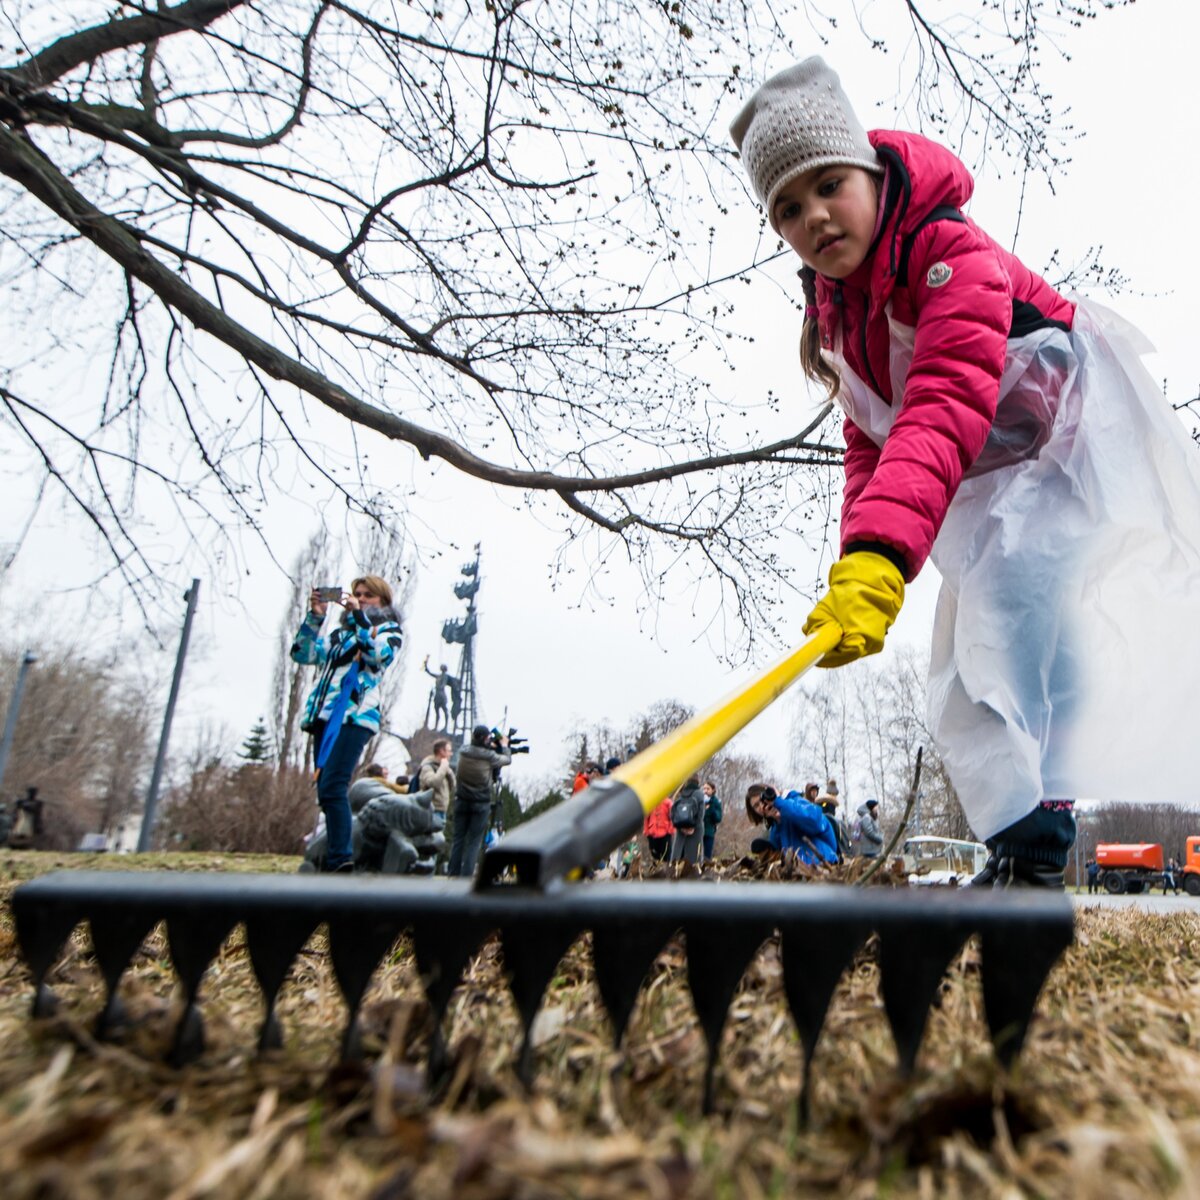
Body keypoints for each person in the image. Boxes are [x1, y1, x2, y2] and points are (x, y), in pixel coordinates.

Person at [730, 58, 1200, 888]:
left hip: (1069, 444)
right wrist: (858, 566)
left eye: (828, 185)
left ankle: (1037, 850)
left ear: (872, 174)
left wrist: (884, 555)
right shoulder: (838, 318)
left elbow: (944, 399)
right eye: (787, 210)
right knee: (967, 655)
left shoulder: (949, 253)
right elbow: (872, 442)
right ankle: (1022, 845)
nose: (813, 218)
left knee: (1021, 629)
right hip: (993, 466)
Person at [292, 575, 402, 873]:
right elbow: (303, 653)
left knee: (333, 786)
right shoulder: (341, 635)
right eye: (357, 594)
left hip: (355, 717)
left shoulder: (387, 630)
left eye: (368, 595)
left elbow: (379, 656)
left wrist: (358, 617)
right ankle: (336, 856)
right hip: (324, 718)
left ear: (383, 601)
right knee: (326, 792)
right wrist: (315, 617)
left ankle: (341, 859)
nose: (361, 598)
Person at [448, 723, 510, 877]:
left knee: (458, 839)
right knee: (474, 842)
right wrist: (504, 745)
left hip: (461, 800)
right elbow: (506, 760)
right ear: (485, 738)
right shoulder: (489, 756)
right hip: (481, 803)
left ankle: (453, 874)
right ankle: (466, 876)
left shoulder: (463, 751)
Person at [745, 783, 838, 866]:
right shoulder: (775, 829)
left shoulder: (796, 801)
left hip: (824, 864)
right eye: (756, 806)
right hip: (801, 873)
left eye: (762, 800)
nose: (761, 806)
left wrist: (779, 803)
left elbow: (814, 820)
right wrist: (778, 819)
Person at [669, 775, 705, 865]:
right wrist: (693, 827)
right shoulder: (699, 794)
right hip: (695, 829)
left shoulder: (681, 794)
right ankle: (693, 872)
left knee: (677, 853)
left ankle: (673, 868)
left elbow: (673, 811)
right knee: (695, 855)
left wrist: (681, 827)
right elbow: (701, 813)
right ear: (697, 782)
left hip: (680, 827)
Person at [418, 738, 456, 815]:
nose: (451, 754)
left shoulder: (444, 767)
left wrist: (448, 771)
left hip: (442, 810)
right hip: (431, 810)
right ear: (441, 751)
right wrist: (443, 768)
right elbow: (433, 783)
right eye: (449, 751)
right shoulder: (427, 767)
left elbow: (453, 786)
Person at [644, 796, 674, 863]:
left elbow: (673, 817)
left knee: (666, 856)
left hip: (665, 833)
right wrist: (647, 831)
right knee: (654, 856)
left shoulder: (668, 802)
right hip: (652, 834)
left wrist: (670, 830)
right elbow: (646, 818)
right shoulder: (651, 802)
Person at [702, 780, 723, 861]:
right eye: (704, 789)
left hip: (709, 832)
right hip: (698, 832)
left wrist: (711, 808)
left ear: (713, 790)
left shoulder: (716, 802)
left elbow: (718, 818)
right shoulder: (700, 800)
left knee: (707, 856)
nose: (705, 791)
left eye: (708, 789)